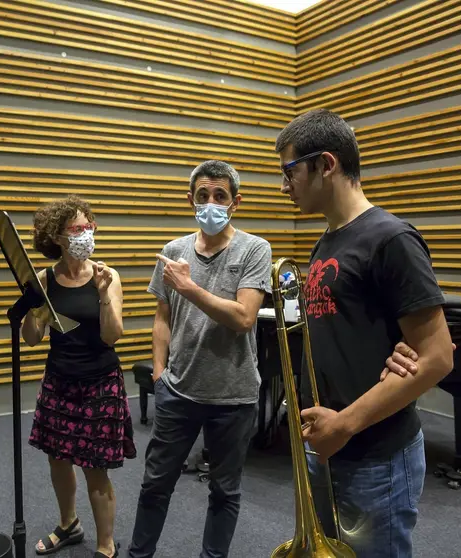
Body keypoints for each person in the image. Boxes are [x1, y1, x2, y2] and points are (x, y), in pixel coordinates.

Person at [274, 108, 455, 557]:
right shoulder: (327, 239)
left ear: (326, 164)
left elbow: (437, 356)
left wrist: (346, 423)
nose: (284, 186)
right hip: (331, 445)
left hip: (376, 455)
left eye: (290, 171)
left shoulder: (391, 238)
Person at [127, 160, 272, 558]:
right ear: (190, 199)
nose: (211, 203)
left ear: (235, 202)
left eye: (220, 196)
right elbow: (162, 317)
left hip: (234, 397)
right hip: (178, 392)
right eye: (203, 195)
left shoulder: (255, 249)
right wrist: (158, 372)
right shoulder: (173, 251)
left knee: (224, 492)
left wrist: (188, 287)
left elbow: (244, 318)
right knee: (155, 485)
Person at [14, 194, 135, 558]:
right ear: (59, 238)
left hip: (99, 383)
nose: (87, 233)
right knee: (58, 459)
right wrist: (33, 310)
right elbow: (32, 339)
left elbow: (113, 335)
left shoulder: (107, 275)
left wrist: (102, 296)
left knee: (95, 468)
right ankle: (68, 525)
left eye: (89, 226)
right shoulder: (44, 279)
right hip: (59, 382)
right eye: (78, 228)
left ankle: (105, 544)